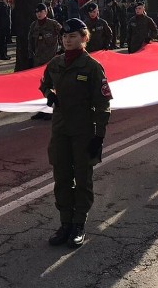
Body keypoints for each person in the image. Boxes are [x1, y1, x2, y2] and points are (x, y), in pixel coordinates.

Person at [40, 18, 113, 248]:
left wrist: (99, 137)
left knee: (82, 179)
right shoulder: (56, 63)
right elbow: (44, 83)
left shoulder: (91, 67)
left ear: (83, 38)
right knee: (61, 178)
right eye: (64, 36)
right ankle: (65, 223)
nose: (67, 40)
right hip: (61, 129)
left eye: (72, 36)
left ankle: (79, 224)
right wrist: (49, 95)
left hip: (84, 131)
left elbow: (103, 104)